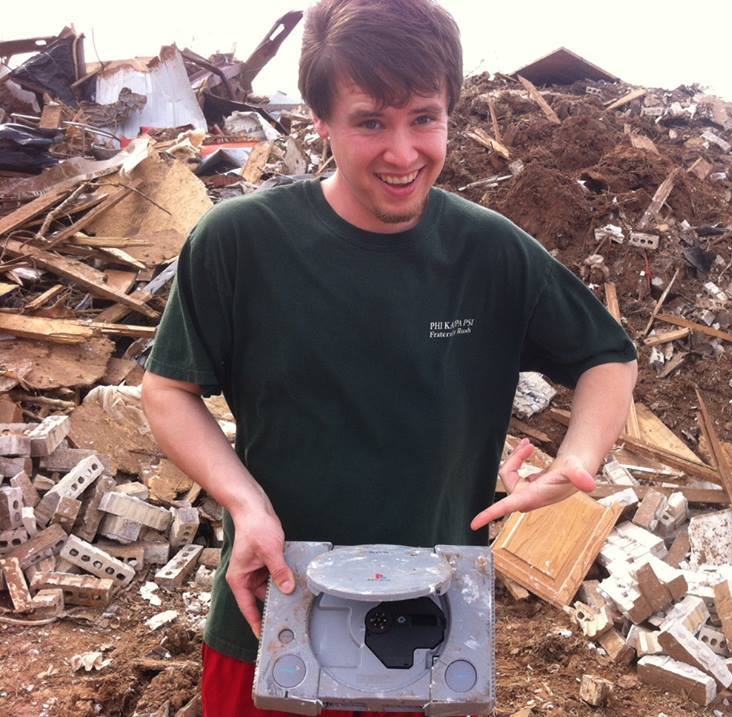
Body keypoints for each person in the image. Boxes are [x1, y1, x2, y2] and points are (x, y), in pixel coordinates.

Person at [141, 0, 638, 714]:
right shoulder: (239, 243)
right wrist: (244, 503)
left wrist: (579, 456)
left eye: (424, 118)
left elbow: (607, 356)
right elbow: (167, 390)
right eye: (371, 121)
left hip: (431, 632)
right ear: (321, 119)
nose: (403, 153)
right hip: (275, 613)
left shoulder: (489, 252)